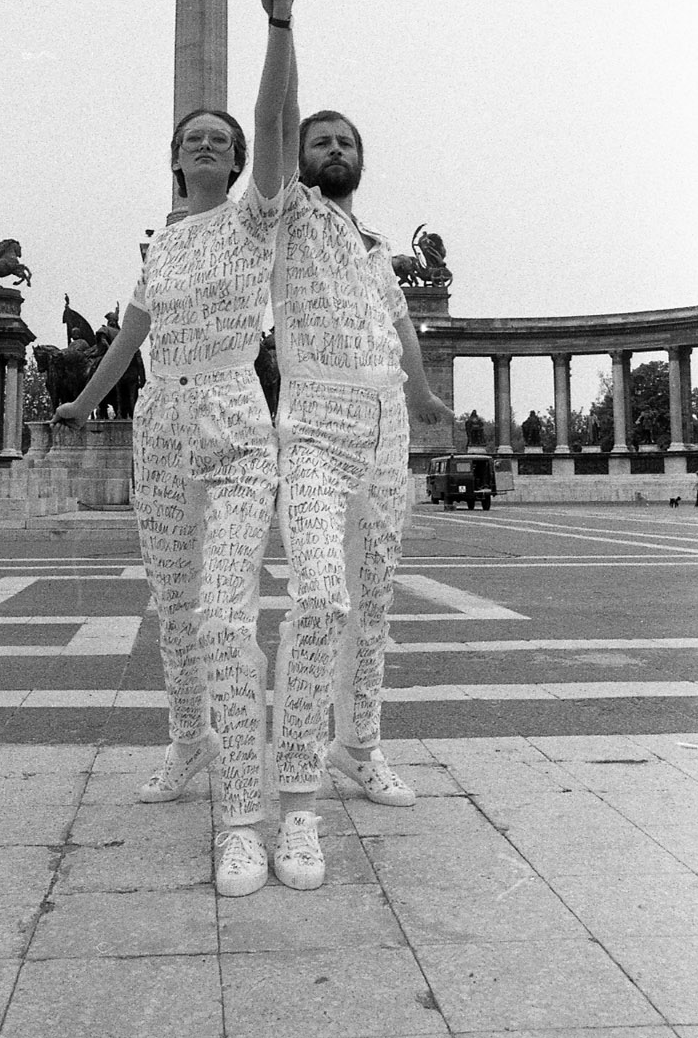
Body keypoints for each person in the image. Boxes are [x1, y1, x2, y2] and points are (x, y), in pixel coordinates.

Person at [52, 0, 300, 899]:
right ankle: (185, 745)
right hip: (159, 423)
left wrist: (277, 17)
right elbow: (128, 339)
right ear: (176, 158)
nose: (206, 145)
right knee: (174, 603)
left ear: (238, 161)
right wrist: (80, 402)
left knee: (228, 613)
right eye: (192, 138)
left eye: (220, 140)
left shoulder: (253, 219)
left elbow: (278, 125)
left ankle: (244, 814)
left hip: (237, 421)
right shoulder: (164, 247)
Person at [269, 95, 453, 891]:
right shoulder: (287, 217)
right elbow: (274, 118)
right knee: (320, 600)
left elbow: (402, 325)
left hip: (385, 426)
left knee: (373, 606)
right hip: (314, 419)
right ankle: (296, 799)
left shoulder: (378, 246)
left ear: (360, 159)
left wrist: (421, 395)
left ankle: (360, 746)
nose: (333, 149)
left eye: (345, 141)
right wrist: (282, 19)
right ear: (301, 155)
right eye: (320, 140)